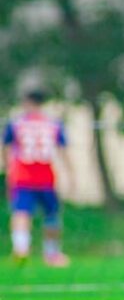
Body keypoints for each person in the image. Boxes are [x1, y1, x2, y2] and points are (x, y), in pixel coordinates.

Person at [3, 89, 75, 267]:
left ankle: (21, 248)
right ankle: (52, 253)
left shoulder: (16, 124)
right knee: (51, 215)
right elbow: (63, 151)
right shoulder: (54, 124)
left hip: (22, 176)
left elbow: (5, 148)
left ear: (27, 102)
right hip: (45, 175)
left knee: (21, 213)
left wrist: (7, 170)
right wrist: (71, 174)